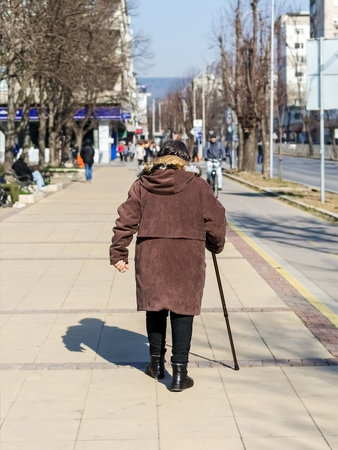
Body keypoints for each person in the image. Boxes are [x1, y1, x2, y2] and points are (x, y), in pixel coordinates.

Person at [110, 139, 226, 392]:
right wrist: (216, 245)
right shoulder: (198, 186)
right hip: (187, 255)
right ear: (186, 160)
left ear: (159, 158)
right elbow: (216, 219)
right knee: (183, 310)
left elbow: (126, 219)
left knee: (156, 308)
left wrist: (119, 251)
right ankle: (179, 373)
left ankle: (156, 365)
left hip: (152, 254)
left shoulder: (142, 184)